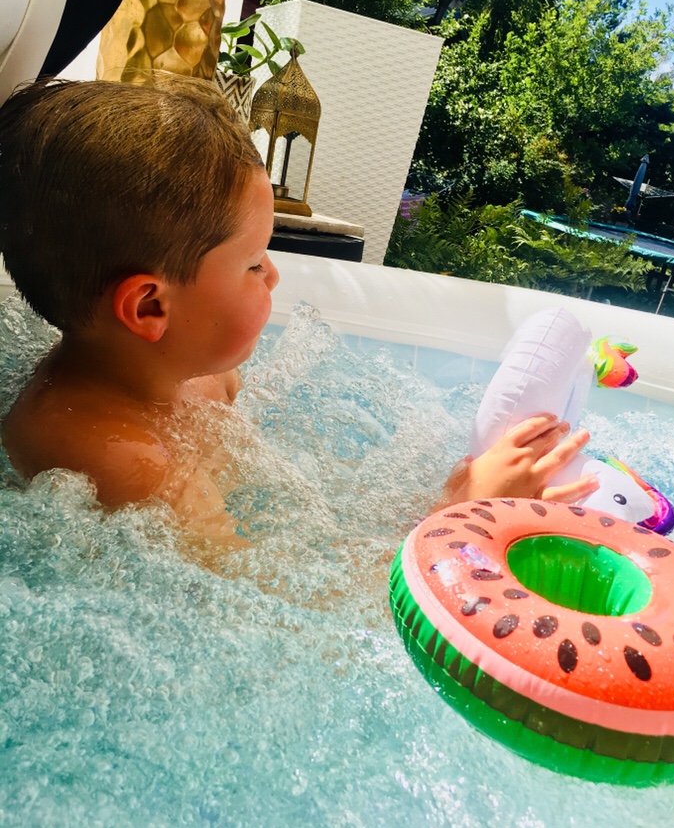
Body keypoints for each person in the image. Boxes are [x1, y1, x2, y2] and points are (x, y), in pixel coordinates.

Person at [0, 74, 594, 550]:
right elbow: (277, 604)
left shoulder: (199, 374)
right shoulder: (124, 466)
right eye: (254, 263)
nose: (275, 274)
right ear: (151, 306)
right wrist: (458, 516)